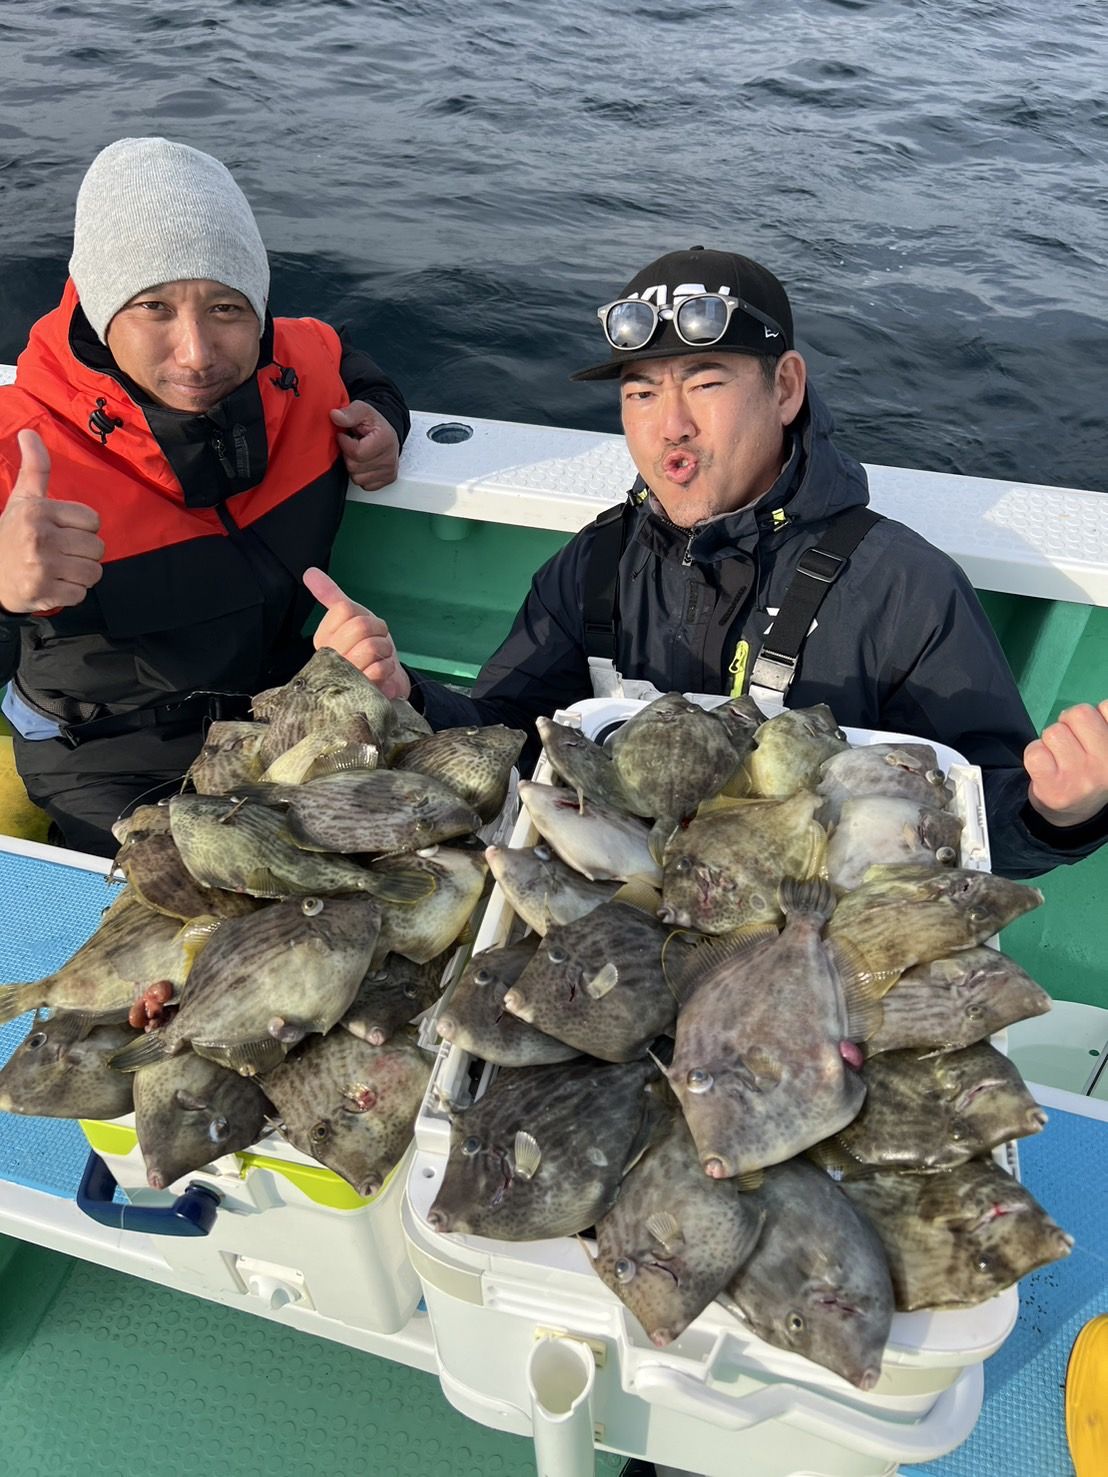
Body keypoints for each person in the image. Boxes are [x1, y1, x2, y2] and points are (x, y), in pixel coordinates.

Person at [311, 245, 1108, 881]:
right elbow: (509, 738)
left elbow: (982, 815)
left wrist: (1060, 811)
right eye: (641, 393)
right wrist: (407, 694)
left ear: (786, 389)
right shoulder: (593, 564)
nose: (671, 426)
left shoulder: (905, 589)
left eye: (705, 381)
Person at [0, 137, 409, 856]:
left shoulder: (300, 362)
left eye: (225, 307)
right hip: (109, 760)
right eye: (153, 307)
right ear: (99, 308)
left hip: (281, 719)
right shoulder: (17, 448)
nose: (196, 353)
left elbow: (357, 365)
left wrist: (382, 423)